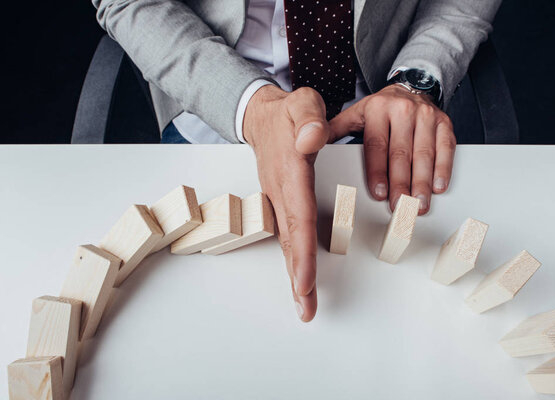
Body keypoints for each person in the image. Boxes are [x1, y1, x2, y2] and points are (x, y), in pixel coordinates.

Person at [92, 0, 501, 322]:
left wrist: (417, 80)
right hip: (214, 102)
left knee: (412, 301)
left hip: (377, 107)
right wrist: (250, 105)